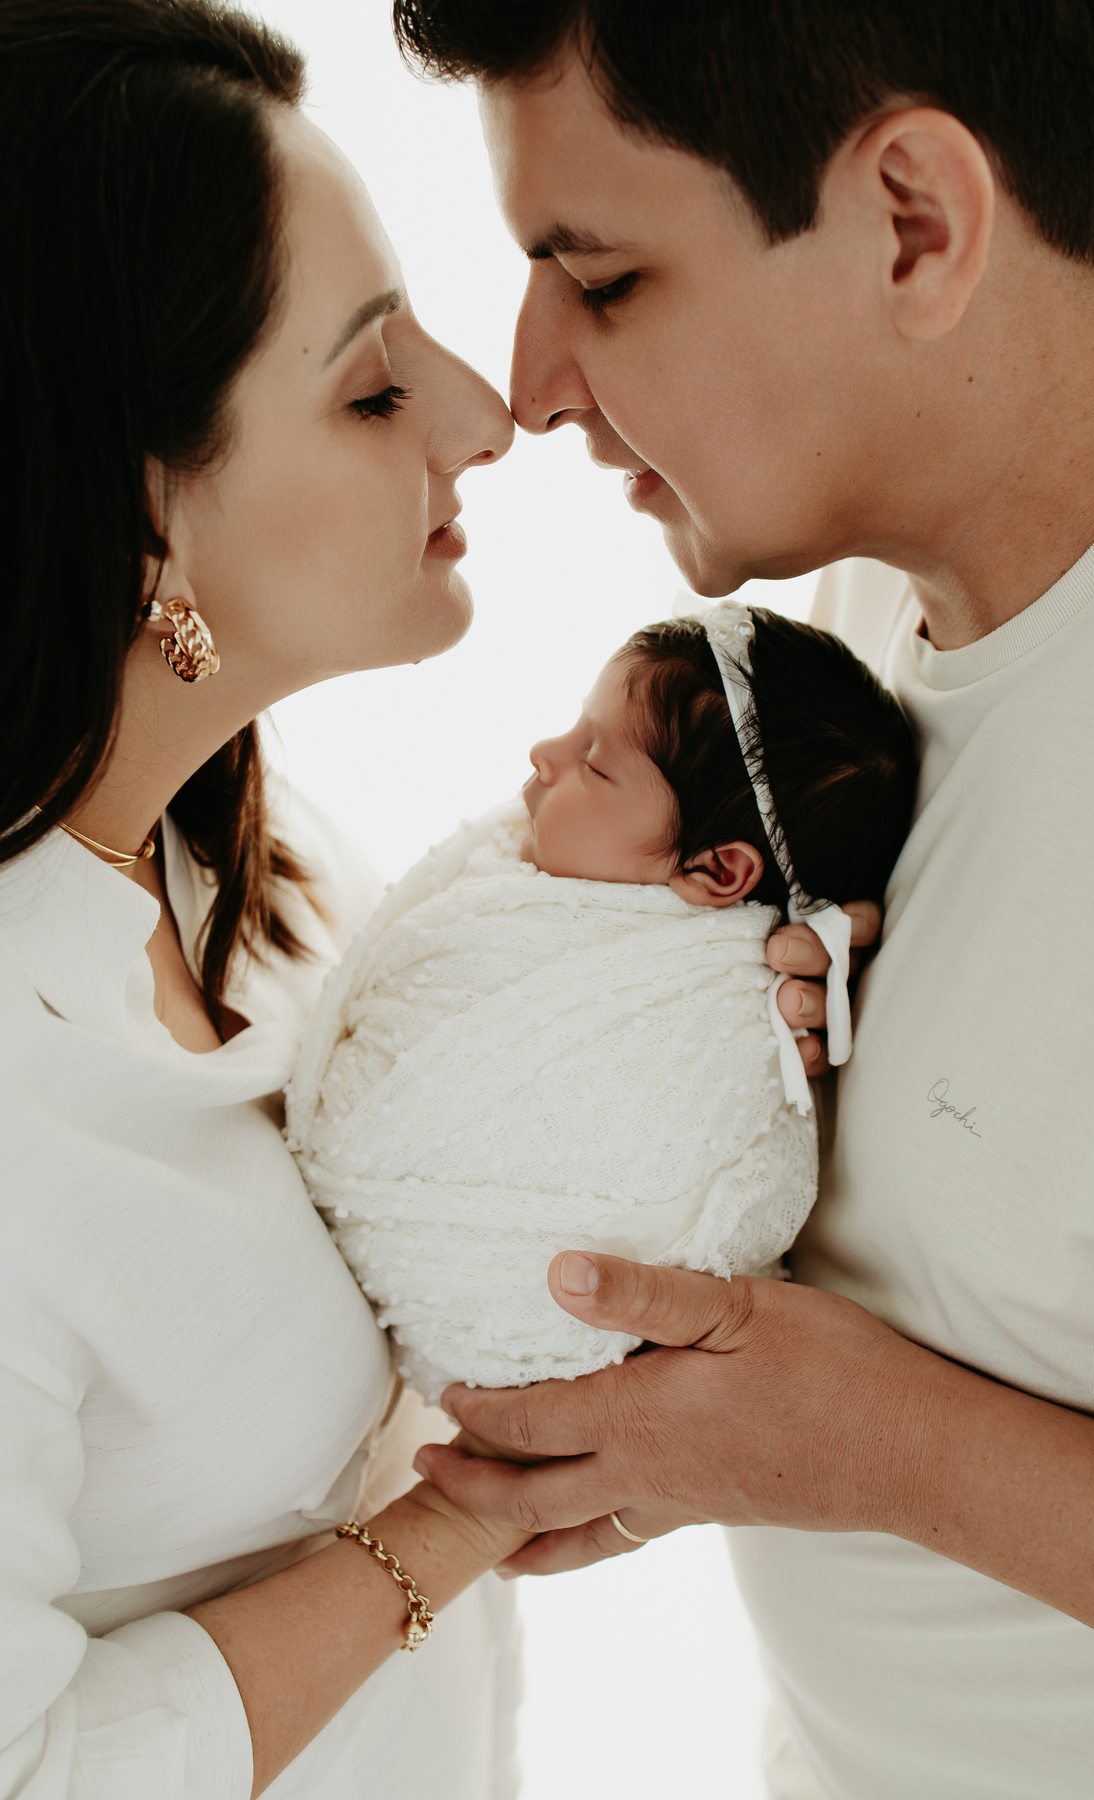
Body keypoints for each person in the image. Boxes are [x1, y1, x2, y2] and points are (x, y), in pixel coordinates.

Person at [391, 2, 1094, 1795]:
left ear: (913, 221)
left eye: (602, 281)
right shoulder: (848, 602)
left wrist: (874, 1451)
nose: (529, 386)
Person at [0, 3, 531, 1796]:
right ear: (138, 516)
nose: (485, 416)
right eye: (374, 389)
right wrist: (452, 1533)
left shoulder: (252, 856)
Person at [286, 604, 916, 1403]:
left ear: (718, 873)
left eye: (593, 762)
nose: (543, 754)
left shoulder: (719, 1012)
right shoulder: (518, 884)